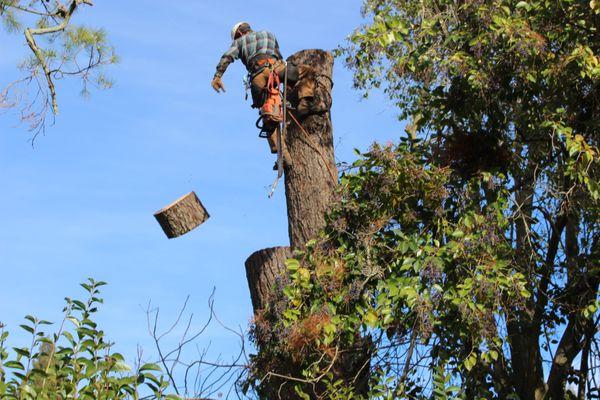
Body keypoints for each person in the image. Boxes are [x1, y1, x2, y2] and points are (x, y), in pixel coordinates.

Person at [211, 22, 287, 150]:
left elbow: (227, 57)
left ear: (239, 33)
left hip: (259, 76)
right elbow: (278, 55)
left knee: (265, 109)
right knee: (294, 80)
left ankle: (277, 147)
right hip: (278, 68)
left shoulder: (239, 41)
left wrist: (217, 76)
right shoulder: (268, 34)